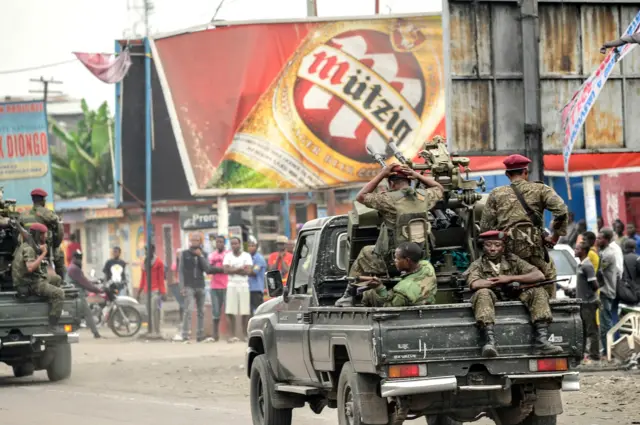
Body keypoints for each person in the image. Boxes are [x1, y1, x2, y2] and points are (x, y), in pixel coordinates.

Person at [336, 163, 443, 306]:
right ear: (409, 180)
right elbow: (439, 188)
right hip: (420, 257)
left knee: (365, 252)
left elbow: (361, 196)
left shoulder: (388, 199)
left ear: (391, 183)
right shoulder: (423, 196)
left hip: (392, 260)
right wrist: (417, 174)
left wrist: (382, 174)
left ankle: (349, 295)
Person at [479, 154, 568, 298]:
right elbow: (562, 211)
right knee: (548, 278)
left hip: (507, 255)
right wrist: (554, 237)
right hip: (535, 252)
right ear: (526, 172)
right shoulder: (541, 189)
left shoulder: (496, 193)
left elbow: (485, 228)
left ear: (507, 174)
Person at [466, 230, 562, 357]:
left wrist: (510, 279)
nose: (493, 249)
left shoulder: (513, 260)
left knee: (538, 291)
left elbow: (539, 275)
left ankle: (542, 341)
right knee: (482, 293)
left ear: (503, 247)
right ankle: (489, 342)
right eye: (488, 245)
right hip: (492, 299)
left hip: (516, 296)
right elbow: (475, 283)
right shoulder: (478, 264)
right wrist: (497, 283)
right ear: (483, 247)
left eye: (497, 245)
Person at [12, 223, 64, 332]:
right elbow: (30, 267)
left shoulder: (27, 245)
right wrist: (43, 254)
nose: (45, 237)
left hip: (32, 279)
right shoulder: (29, 249)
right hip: (30, 283)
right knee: (59, 293)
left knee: (57, 279)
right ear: (37, 235)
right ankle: (53, 325)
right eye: (43, 234)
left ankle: (51, 303)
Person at [360, 242, 437, 307]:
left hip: (407, 315)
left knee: (369, 294)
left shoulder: (402, 292)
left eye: (397, 258)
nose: (394, 261)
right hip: (426, 300)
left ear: (407, 260)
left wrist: (380, 288)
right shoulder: (427, 266)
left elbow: (388, 308)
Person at [20, 188, 66, 280]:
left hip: (25, 247)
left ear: (33, 200)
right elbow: (58, 228)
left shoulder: (23, 214)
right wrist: (56, 244)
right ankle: (61, 281)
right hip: (43, 246)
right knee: (59, 255)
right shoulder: (46, 212)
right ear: (43, 200)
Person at [175, 234, 213, 342]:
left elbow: (207, 269)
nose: (194, 242)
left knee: (201, 311)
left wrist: (200, 256)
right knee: (189, 310)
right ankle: (185, 334)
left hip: (200, 285)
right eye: (192, 240)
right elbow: (181, 271)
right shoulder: (185, 254)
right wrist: (181, 286)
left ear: (200, 241)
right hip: (189, 286)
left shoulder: (204, 254)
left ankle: (200, 335)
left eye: (196, 240)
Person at [66, 249, 105, 339]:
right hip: (77, 295)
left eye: (81, 258)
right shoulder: (74, 268)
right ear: (74, 258)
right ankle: (96, 333)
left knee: (79, 315)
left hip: (74, 294)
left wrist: (94, 282)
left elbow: (83, 280)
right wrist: (97, 290)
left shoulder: (73, 267)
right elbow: (85, 283)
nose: (80, 260)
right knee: (88, 313)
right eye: (78, 258)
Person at [574, 242, 600, 362]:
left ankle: (594, 355)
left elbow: (594, 285)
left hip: (588, 304)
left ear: (583, 251)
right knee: (582, 330)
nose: (575, 250)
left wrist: (588, 296)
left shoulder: (587, 266)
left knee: (591, 330)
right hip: (582, 303)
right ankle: (582, 354)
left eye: (577, 248)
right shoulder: (581, 265)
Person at [223, 237, 253, 342]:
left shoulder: (246, 256)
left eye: (236, 243)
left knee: (245, 311)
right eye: (232, 244)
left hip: (244, 284)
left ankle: (245, 335)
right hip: (231, 284)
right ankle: (231, 335)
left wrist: (233, 270)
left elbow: (248, 271)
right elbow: (225, 270)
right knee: (230, 311)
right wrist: (239, 269)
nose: (234, 246)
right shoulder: (228, 256)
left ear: (240, 244)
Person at [596, 228, 620, 354]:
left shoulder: (608, 254)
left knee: (606, 323)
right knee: (605, 322)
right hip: (604, 291)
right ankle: (607, 350)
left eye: (599, 238)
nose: (597, 240)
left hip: (606, 291)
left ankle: (610, 351)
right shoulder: (603, 251)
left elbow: (599, 272)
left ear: (606, 239)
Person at [139, 245, 166, 336]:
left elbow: (161, 278)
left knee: (156, 311)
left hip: (156, 291)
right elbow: (143, 279)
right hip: (147, 291)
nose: (147, 253)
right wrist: (139, 291)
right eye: (146, 251)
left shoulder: (158, 262)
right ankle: (150, 330)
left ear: (153, 251)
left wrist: (163, 292)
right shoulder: (144, 263)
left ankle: (157, 331)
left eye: (148, 251)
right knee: (148, 311)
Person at [208, 235, 228, 341]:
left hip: (226, 286)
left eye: (221, 242)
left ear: (224, 243)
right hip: (214, 287)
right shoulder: (212, 255)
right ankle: (215, 334)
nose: (219, 243)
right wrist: (220, 269)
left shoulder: (228, 254)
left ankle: (229, 334)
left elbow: (227, 269)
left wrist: (216, 268)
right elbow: (208, 269)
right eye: (217, 242)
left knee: (228, 310)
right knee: (215, 311)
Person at [248, 237, 267, 314]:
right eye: (249, 246)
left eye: (253, 246)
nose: (251, 247)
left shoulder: (259, 258)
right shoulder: (247, 257)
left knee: (258, 311)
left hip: (256, 288)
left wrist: (243, 270)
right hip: (248, 288)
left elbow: (254, 272)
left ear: (256, 247)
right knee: (249, 311)